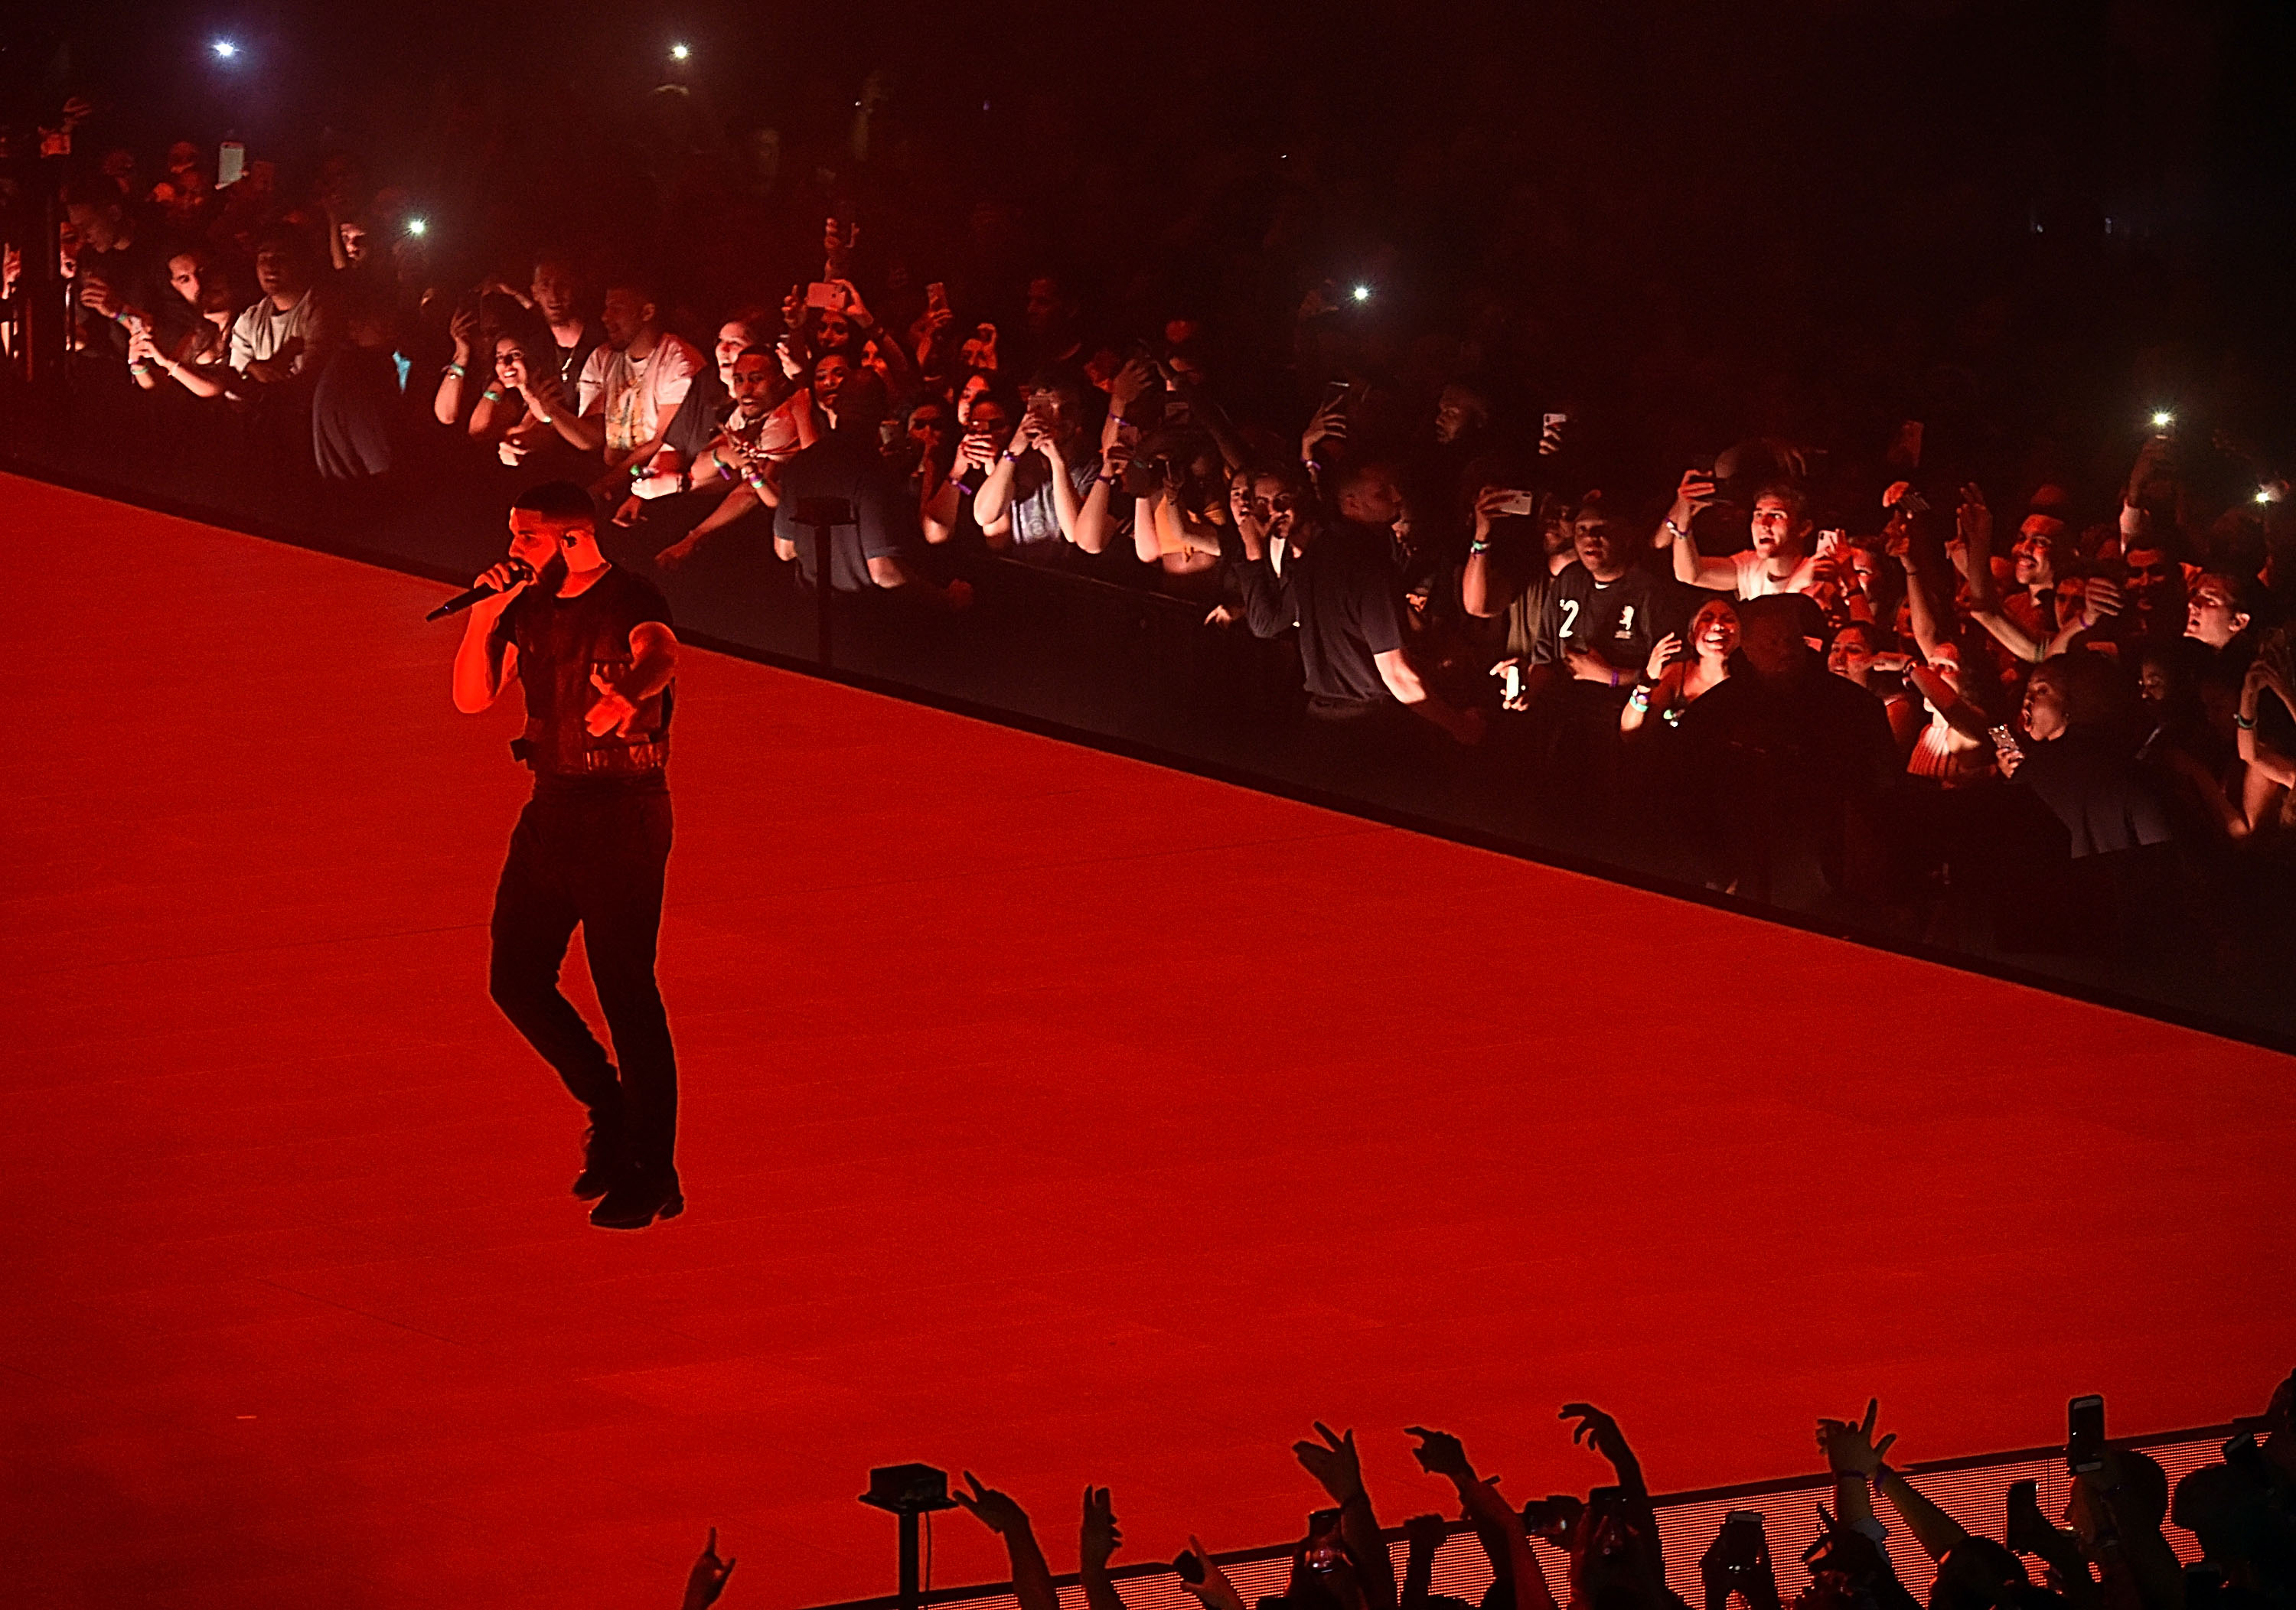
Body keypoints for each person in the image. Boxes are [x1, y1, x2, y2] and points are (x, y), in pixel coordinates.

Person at [450, 481, 686, 1230]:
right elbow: (470, 698)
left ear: (573, 537)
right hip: (553, 808)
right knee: (514, 976)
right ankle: (609, 1105)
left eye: (527, 538)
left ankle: (651, 1170)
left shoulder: (630, 597)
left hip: (624, 812)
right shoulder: (528, 603)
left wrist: (627, 697)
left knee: (626, 989)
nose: (514, 548)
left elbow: (661, 653)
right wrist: (486, 614)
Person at [1231, 463, 1484, 746]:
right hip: (1368, 729)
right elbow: (1397, 675)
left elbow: (1268, 624)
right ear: (1352, 503)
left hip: (1322, 722)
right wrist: (1459, 725)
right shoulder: (1367, 565)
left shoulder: (1314, 557)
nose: (1397, 497)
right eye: (1381, 493)